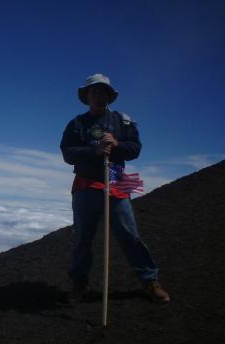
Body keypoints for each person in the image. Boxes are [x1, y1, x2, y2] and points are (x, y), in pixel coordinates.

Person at [60, 74, 170, 303]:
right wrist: (94, 151)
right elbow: (68, 153)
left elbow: (135, 149)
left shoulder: (123, 122)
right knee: (83, 237)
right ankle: (79, 284)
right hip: (86, 184)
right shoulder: (76, 124)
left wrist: (117, 145)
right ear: (87, 96)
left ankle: (150, 281)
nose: (99, 95)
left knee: (129, 235)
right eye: (94, 91)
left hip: (116, 182)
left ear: (109, 96)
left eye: (103, 92)